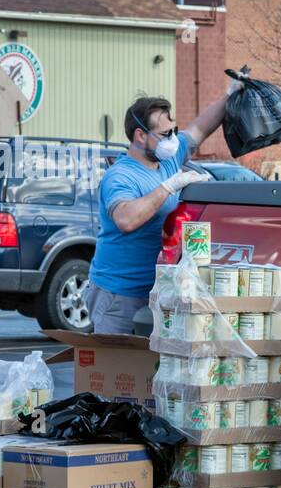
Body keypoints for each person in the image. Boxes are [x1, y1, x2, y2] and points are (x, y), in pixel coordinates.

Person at [87, 92, 230, 333]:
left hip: (156, 291)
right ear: (140, 136)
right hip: (118, 296)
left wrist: (230, 95)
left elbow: (200, 128)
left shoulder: (169, 159)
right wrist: (168, 187)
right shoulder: (120, 176)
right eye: (165, 134)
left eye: (173, 131)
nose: (172, 140)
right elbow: (126, 219)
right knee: (116, 366)